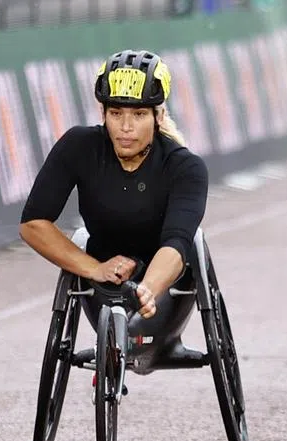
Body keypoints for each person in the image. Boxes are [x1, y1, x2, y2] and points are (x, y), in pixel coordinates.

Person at [19, 49, 207, 374]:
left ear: (158, 116)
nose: (125, 127)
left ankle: (142, 335)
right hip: (101, 270)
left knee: (185, 248)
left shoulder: (185, 166)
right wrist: (95, 269)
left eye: (138, 115)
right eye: (116, 113)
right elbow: (33, 224)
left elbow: (177, 243)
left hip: (164, 278)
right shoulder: (79, 147)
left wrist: (147, 289)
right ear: (103, 113)